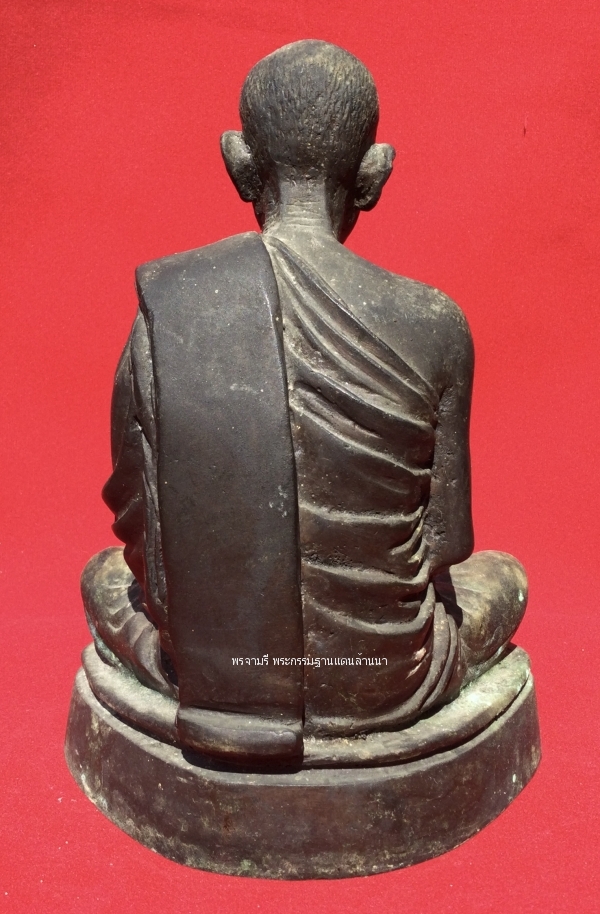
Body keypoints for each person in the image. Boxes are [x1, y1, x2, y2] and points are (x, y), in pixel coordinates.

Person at [83, 40, 527, 763]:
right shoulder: (436, 322)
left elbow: (139, 532)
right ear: (374, 175)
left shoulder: (174, 310)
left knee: (101, 577)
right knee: (504, 578)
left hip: (216, 675)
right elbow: (448, 544)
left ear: (238, 163)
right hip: (385, 678)